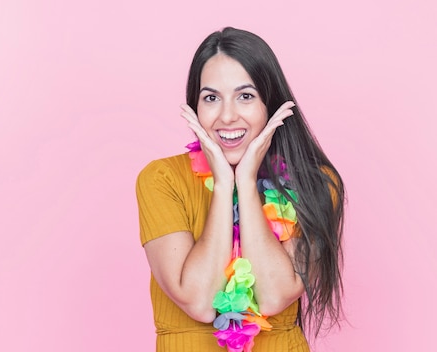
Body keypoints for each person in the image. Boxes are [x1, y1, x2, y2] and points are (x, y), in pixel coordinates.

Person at [135, 27, 345, 352]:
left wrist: (245, 182)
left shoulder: (316, 185)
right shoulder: (161, 179)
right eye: (211, 98)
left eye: (245, 96)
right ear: (194, 107)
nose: (227, 116)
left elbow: (273, 296)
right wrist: (223, 185)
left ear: (270, 104)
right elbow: (200, 301)